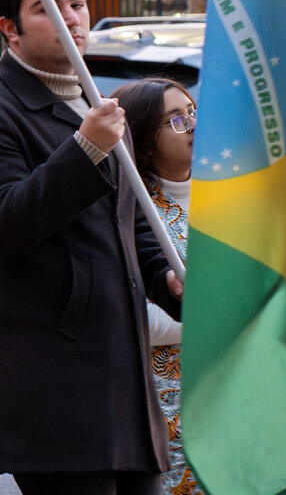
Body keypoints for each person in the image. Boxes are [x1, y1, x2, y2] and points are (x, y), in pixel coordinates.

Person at [0, 0, 183, 495]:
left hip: (121, 370)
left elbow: (127, 223)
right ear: (10, 28)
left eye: (77, 3)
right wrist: (85, 149)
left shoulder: (97, 103)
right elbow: (3, 225)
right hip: (50, 371)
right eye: (49, 7)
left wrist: (166, 276)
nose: (72, 17)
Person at [113, 78, 199, 495]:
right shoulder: (129, 211)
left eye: (193, 112)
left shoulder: (234, 198)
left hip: (241, 399)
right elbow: (132, 314)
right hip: (166, 413)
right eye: (176, 120)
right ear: (144, 143)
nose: (194, 125)